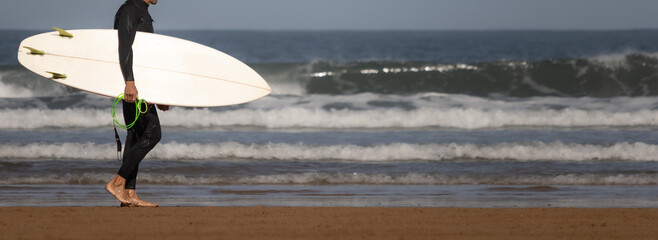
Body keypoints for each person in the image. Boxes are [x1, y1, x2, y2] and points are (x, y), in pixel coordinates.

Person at [105, 0, 168, 207]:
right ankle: (117, 182)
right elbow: (124, 46)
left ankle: (129, 194)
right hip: (132, 86)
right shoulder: (131, 9)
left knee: (135, 136)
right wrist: (129, 82)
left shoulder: (141, 10)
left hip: (139, 85)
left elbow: (144, 57)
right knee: (153, 134)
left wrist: (157, 93)